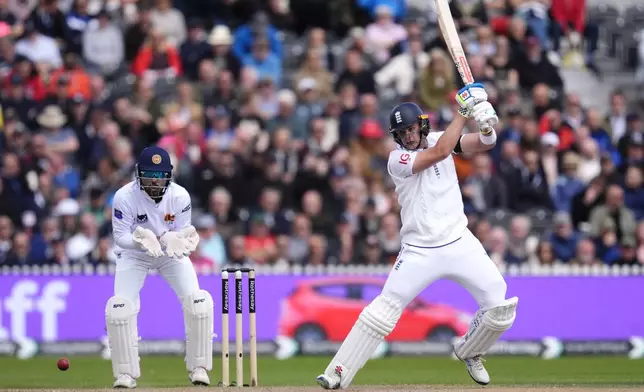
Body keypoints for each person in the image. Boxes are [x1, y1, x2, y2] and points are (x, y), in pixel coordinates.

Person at [316, 84, 518, 389]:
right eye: (402, 133)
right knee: (382, 310)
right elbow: (440, 153)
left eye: (411, 129)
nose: (408, 136)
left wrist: (487, 125)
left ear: (421, 125)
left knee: (499, 307)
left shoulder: (442, 138)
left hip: (460, 242)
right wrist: (463, 111)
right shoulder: (397, 160)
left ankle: (470, 351)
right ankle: (337, 373)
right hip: (419, 250)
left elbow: (484, 144)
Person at [107, 146, 213, 388]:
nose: (155, 181)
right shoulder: (124, 196)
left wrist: (177, 240)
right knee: (120, 308)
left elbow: (181, 231)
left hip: (167, 252)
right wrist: (140, 241)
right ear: (138, 173)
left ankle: (198, 367)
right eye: (149, 175)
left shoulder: (180, 196)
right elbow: (120, 236)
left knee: (198, 303)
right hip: (135, 254)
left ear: (169, 174)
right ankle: (125, 374)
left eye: (160, 175)